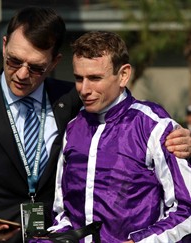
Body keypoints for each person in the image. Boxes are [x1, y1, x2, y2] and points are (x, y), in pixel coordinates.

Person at [0, 7, 190, 243]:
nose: (21, 74)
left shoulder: (75, 101)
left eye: (36, 67)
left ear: (53, 63)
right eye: (14, 61)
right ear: (4, 45)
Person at [39, 31, 191, 243]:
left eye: (95, 78)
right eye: (78, 78)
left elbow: (186, 211)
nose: (84, 89)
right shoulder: (73, 128)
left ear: (123, 75)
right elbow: (62, 212)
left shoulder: (154, 125)